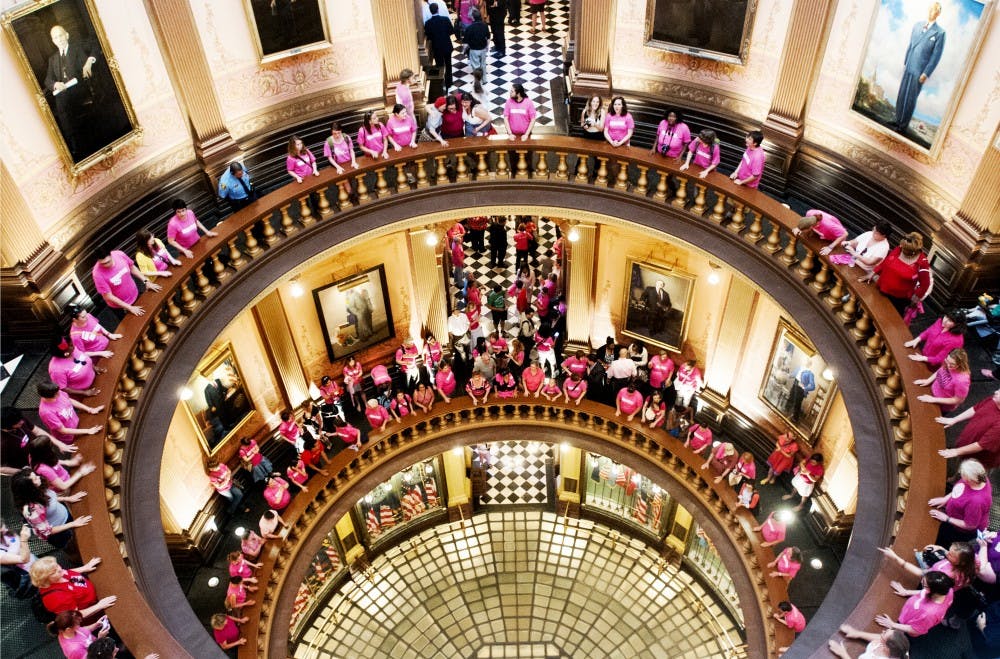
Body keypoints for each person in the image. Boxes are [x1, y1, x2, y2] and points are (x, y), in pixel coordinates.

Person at [43, 25, 130, 162]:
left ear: (67, 35)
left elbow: (96, 46)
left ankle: (80, 144)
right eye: (55, 37)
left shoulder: (78, 47)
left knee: (63, 104)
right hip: (65, 94)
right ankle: (76, 146)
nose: (59, 39)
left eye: (60, 35)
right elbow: (47, 79)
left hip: (82, 88)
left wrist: (89, 61)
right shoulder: (53, 59)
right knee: (61, 102)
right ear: (53, 41)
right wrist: (55, 84)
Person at [893, 3, 945, 134]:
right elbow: (910, 45)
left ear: (938, 14)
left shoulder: (940, 33)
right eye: (931, 8)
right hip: (909, 65)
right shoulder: (917, 25)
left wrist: (926, 73)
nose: (932, 11)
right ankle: (897, 119)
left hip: (920, 71)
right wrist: (905, 62)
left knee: (910, 98)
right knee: (902, 93)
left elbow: (935, 57)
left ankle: (902, 126)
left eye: (935, 10)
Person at [864, 232, 932, 317]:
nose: (901, 250)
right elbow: (886, 262)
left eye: (904, 250)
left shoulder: (922, 262)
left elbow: (925, 284)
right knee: (870, 313)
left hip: (898, 300)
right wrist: (873, 273)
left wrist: (916, 297)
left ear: (913, 251)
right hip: (882, 288)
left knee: (886, 321)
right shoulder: (900, 248)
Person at [30, 556, 116, 620]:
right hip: (96, 613)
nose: (59, 570)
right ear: (45, 579)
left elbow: (67, 572)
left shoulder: (58, 575)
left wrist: (85, 568)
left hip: (98, 594)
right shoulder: (57, 598)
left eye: (57, 566)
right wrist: (100, 606)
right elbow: (76, 615)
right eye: (54, 572)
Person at [928, 458, 991, 545]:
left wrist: (946, 518)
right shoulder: (979, 477)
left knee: (943, 541)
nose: (960, 474)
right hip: (953, 514)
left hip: (959, 530)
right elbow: (960, 488)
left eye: (962, 474)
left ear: (970, 480)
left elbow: (970, 525)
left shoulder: (976, 502)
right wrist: (945, 499)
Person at [91, 243, 161, 319]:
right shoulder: (97, 274)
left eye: (108, 261)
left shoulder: (119, 254)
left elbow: (132, 267)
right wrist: (129, 308)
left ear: (111, 254)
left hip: (135, 293)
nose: (107, 265)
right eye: (103, 263)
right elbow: (108, 296)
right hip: (121, 307)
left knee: (150, 315)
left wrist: (146, 281)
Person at [875, 571, 954, 637]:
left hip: (910, 623)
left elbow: (916, 630)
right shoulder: (947, 590)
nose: (921, 583)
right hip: (915, 612)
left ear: (931, 590)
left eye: (924, 584)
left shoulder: (929, 614)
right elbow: (925, 592)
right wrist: (906, 592)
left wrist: (893, 625)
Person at [936, 389, 1000, 468]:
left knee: (969, 473)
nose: (995, 392)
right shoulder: (993, 399)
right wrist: (954, 419)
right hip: (969, 440)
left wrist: (957, 451)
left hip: (980, 459)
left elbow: (981, 445)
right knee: (958, 461)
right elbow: (976, 408)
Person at [36, 380, 103, 445]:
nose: (60, 393)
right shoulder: (46, 412)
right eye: (56, 394)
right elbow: (63, 430)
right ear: (47, 396)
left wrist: (90, 409)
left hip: (79, 424)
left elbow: (69, 400)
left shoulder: (56, 392)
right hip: (71, 437)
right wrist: (88, 431)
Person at [27, 436, 94, 493]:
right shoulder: (44, 470)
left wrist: (69, 462)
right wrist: (81, 472)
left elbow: (50, 460)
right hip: (65, 488)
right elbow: (63, 486)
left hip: (66, 477)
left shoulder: (33, 455)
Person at [914, 348, 970, 413]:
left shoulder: (962, 380)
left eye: (952, 364)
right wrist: (928, 380)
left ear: (960, 364)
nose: (948, 365)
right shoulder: (947, 361)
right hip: (932, 392)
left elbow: (958, 400)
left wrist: (933, 400)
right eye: (947, 361)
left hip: (941, 405)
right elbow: (941, 369)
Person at [828, 625, 910, 659]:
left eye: (884, 633)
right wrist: (857, 633)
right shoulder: (900, 647)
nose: (882, 631)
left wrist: (842, 653)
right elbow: (879, 638)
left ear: (886, 647)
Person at [423, 4, 455, 91]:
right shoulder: (445, 19)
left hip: (437, 48)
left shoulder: (428, 23)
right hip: (447, 45)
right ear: (438, 9)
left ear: (430, 11)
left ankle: (442, 84)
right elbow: (451, 31)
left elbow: (428, 36)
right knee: (448, 64)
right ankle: (449, 82)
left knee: (440, 65)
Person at [464, 10, 491, 78]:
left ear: (473, 18)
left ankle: (478, 81)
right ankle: (484, 79)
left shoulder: (469, 28)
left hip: (474, 50)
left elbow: (466, 43)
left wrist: (464, 51)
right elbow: (488, 37)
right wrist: (487, 47)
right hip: (483, 49)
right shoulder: (485, 25)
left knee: (476, 67)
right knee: (483, 65)